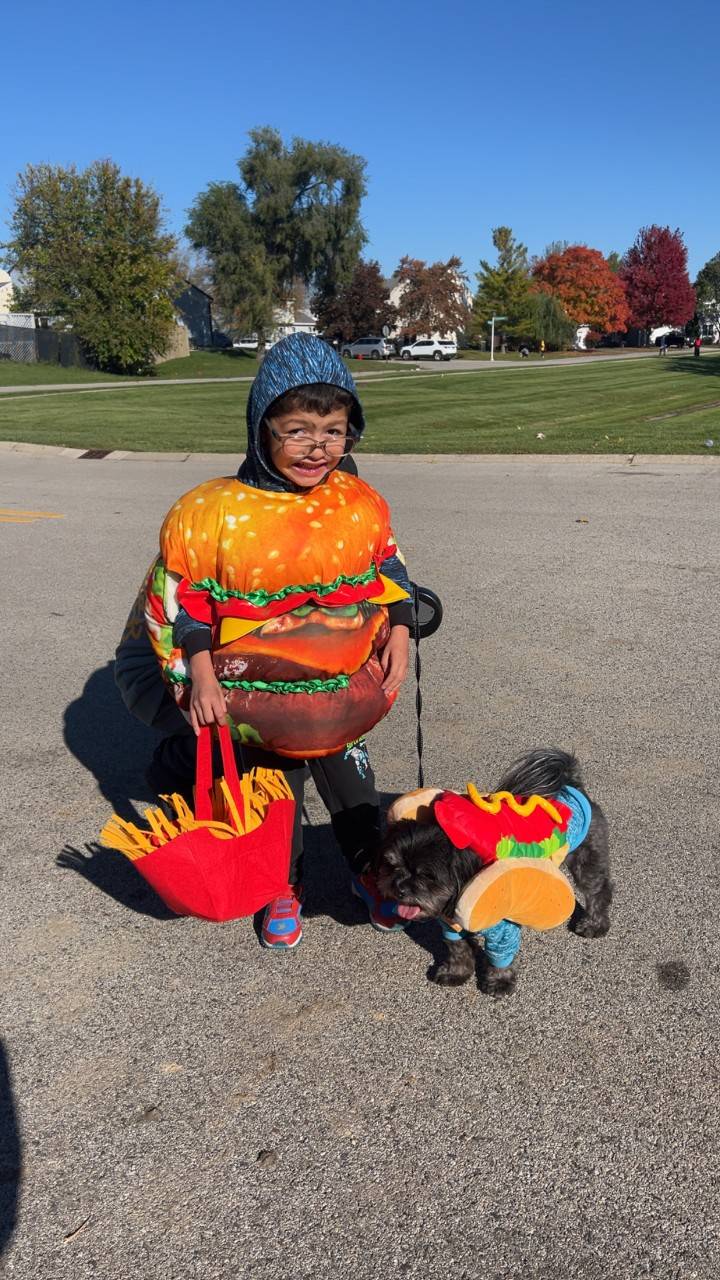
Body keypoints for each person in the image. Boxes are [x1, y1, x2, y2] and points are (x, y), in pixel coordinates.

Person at [140, 334, 414, 950]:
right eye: (297, 430)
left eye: (335, 431)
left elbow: (389, 569)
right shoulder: (207, 513)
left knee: (353, 784)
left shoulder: (360, 503)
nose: (317, 448)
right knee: (271, 790)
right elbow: (183, 604)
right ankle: (279, 883)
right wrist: (200, 674)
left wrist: (399, 627)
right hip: (249, 694)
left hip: (344, 690)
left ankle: (370, 868)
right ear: (262, 427)